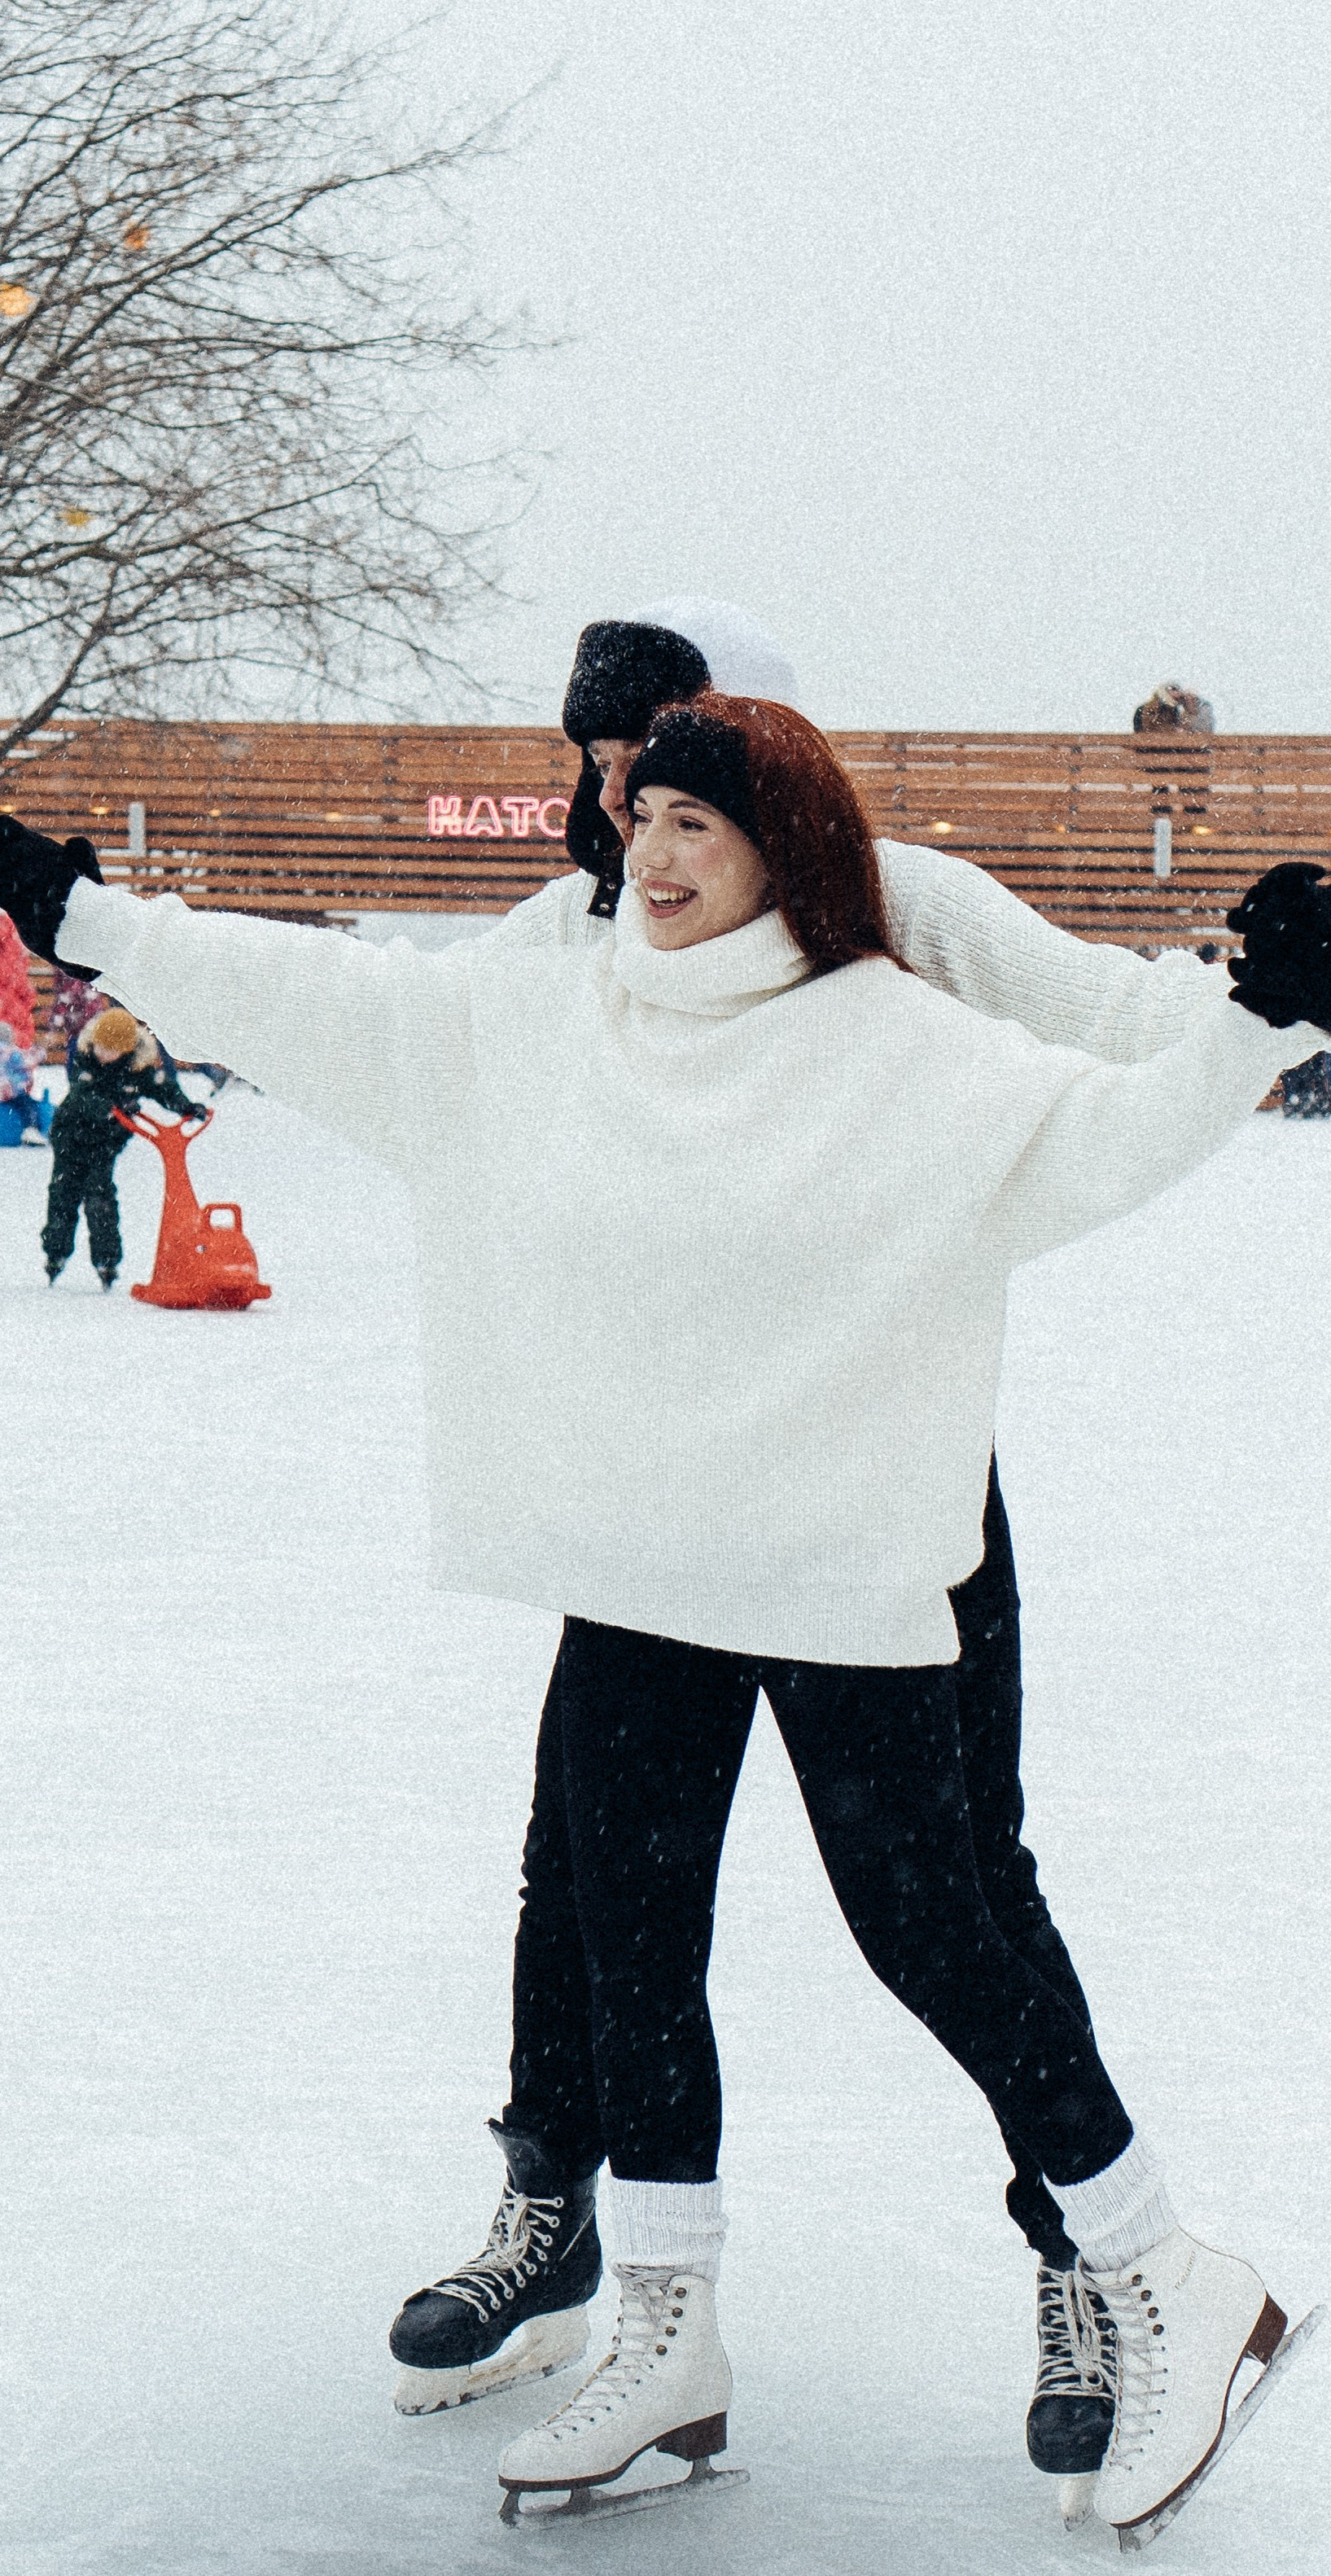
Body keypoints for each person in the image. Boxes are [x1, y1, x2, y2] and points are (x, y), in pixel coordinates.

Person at [0, 700, 1331, 2543]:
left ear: (781, 843)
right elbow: (346, 1009)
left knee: (931, 1924)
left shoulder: (895, 1035)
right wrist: (101, 927)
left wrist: (1265, 1015)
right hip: (643, 1554)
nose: (646, 851)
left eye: (692, 826)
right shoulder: (560, 1010)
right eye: (637, 816)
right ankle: (661, 2327)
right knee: (621, 1929)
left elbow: (1110, 1127)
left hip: (847, 1544)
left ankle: (1156, 2271)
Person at [389, 603, 1241, 2506]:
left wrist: (1261, 1003)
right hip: (657, 1487)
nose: (625, 820)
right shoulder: (579, 938)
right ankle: (564, 2212)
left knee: (948, 1871)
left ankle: (1086, 2264)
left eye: (658, 779)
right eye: (602, 780)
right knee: (590, 1857)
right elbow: (434, 1066)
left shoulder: (894, 903)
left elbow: (1110, 1031)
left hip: (885, 1479)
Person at [41, 1005, 199, 1288]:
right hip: (70, 1137)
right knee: (63, 1195)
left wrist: (186, 1107)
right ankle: (56, 1253)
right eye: (101, 1047)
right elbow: (81, 1096)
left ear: (126, 1050)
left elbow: (163, 1088)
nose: (103, 1054)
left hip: (106, 1142)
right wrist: (112, 1107)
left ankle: (107, 1261)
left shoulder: (137, 1067)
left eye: (111, 1050)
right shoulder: (84, 1059)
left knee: (100, 1199)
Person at [0, 1016, 47, 1135]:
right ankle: (30, 1129)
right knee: (26, 1105)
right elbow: (26, 1061)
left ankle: (29, 1128)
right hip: (10, 1089)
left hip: (1, 1087)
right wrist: (40, 1052)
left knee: (27, 1103)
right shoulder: (7, 1051)